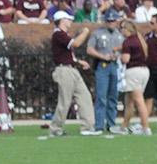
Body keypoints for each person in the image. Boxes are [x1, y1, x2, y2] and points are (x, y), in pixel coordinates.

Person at [46, 9, 93, 137]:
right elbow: (76, 43)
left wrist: (78, 62)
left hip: (71, 69)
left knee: (85, 97)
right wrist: (85, 32)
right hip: (64, 71)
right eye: (68, 19)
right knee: (65, 101)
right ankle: (55, 128)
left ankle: (87, 127)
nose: (70, 21)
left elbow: (65, 55)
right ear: (61, 21)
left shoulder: (62, 35)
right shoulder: (58, 34)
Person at [86, 9, 125, 135]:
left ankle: (111, 123)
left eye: (113, 20)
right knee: (101, 96)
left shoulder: (120, 35)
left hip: (115, 65)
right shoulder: (97, 33)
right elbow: (90, 49)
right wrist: (103, 56)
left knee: (113, 96)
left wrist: (117, 56)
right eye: (109, 21)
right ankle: (99, 124)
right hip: (102, 65)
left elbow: (124, 49)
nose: (111, 23)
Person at [121, 17, 152, 134]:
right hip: (144, 71)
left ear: (126, 29)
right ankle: (124, 126)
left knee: (139, 101)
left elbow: (126, 59)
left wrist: (118, 56)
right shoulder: (140, 39)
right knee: (129, 100)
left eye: (122, 28)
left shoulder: (128, 41)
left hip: (133, 71)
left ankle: (145, 127)